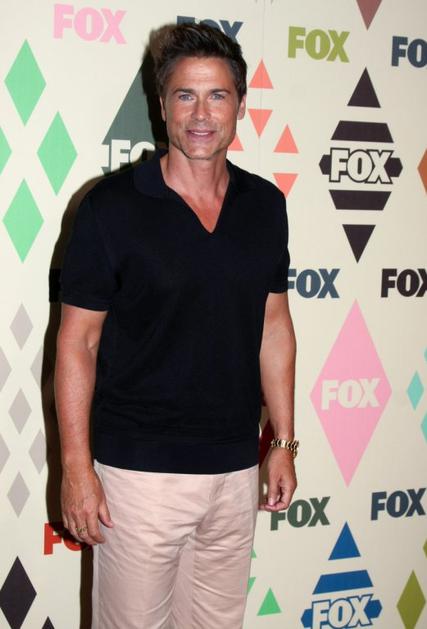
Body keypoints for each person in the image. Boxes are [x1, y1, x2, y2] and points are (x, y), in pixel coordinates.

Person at [55, 22, 297, 629]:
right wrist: (77, 468)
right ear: (161, 106)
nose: (201, 114)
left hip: (235, 472)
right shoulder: (110, 208)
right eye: (185, 95)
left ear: (240, 105)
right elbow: (78, 342)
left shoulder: (265, 206)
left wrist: (284, 442)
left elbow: (274, 327)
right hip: (139, 478)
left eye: (217, 95)